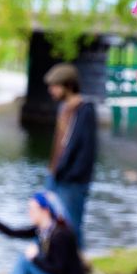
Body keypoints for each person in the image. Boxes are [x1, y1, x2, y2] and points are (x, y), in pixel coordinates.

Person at [43, 62, 97, 249]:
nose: (51, 90)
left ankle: (77, 271)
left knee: (72, 227)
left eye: (55, 86)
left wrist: (72, 175)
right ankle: (53, 264)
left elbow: (86, 149)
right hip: (55, 175)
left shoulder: (84, 110)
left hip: (72, 182)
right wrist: (54, 172)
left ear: (68, 85)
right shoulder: (63, 109)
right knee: (49, 223)